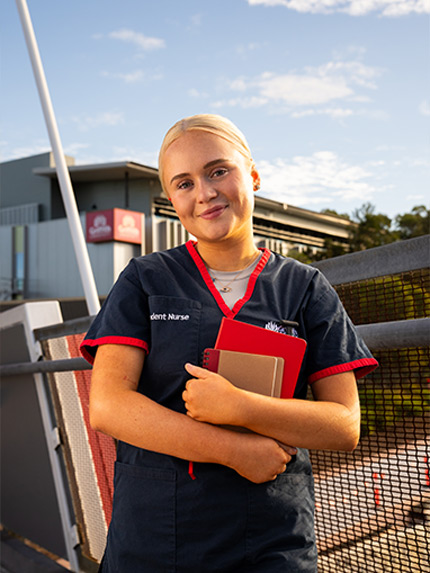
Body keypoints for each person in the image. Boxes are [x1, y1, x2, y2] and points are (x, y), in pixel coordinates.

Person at [80, 114, 378, 572]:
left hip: (270, 539)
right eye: (184, 183)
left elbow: (344, 427)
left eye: (218, 170)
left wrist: (241, 407)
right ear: (171, 200)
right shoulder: (145, 279)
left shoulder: (305, 289)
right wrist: (234, 449)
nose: (205, 192)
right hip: (156, 538)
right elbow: (108, 405)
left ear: (253, 175)